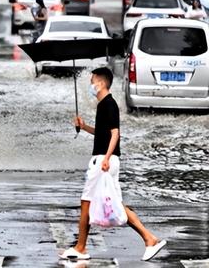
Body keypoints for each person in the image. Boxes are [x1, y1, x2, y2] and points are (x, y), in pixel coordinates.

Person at [60, 67, 166, 261]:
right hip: (105, 159)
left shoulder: (109, 104)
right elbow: (103, 134)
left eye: (92, 81)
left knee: (86, 203)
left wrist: (107, 158)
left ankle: (81, 248)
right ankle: (149, 239)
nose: (90, 85)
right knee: (114, 204)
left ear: (101, 83)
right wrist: (83, 127)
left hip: (103, 161)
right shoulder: (104, 105)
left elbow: (115, 134)